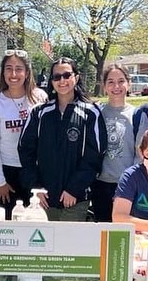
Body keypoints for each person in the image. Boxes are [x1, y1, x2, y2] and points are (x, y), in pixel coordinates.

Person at [18, 57, 107, 221]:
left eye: (67, 75)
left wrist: (75, 189)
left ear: (76, 77)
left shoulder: (91, 113)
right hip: (43, 200)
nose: (62, 81)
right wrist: (36, 188)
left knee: (70, 246)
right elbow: (25, 153)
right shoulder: (38, 113)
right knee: (43, 245)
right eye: (56, 77)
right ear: (51, 81)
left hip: (75, 199)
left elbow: (94, 157)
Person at [0, 49, 47, 219]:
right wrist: (0, 181)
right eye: (8, 68)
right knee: (10, 225)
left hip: (36, 171)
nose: (13, 74)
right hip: (8, 173)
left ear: (27, 72)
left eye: (19, 69)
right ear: (3, 72)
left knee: (36, 224)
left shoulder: (40, 97)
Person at [91, 64, 136, 222]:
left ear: (128, 84)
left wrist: (129, 185)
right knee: (103, 234)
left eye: (121, 81)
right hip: (100, 184)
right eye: (110, 82)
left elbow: (140, 155)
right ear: (104, 86)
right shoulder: (96, 113)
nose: (116, 86)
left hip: (128, 186)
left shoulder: (137, 115)